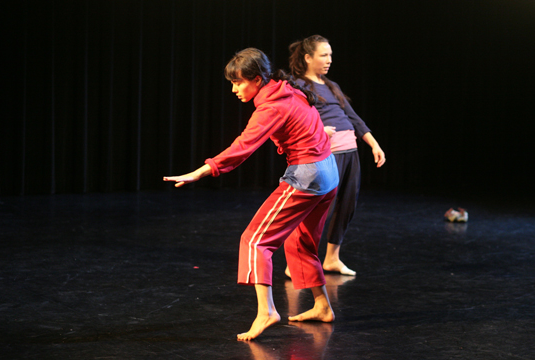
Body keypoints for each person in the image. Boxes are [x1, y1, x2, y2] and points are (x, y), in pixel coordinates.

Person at [163, 48, 339, 341]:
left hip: (309, 175)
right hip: (328, 173)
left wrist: (201, 171)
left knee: (255, 240)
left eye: (239, 82)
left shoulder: (271, 106)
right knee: (300, 239)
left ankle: (266, 311)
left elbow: (242, 146)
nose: (234, 89)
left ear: (257, 79)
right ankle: (322, 306)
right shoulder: (285, 89)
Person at [285, 35, 386, 277]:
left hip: (350, 150)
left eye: (330, 55)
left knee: (347, 205)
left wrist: (373, 143)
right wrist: (319, 130)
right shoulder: (298, 86)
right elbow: (295, 120)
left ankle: (332, 258)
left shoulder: (332, 86)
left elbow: (353, 117)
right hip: (326, 154)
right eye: (323, 55)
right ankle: (295, 262)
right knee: (317, 209)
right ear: (308, 57)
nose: (329, 60)